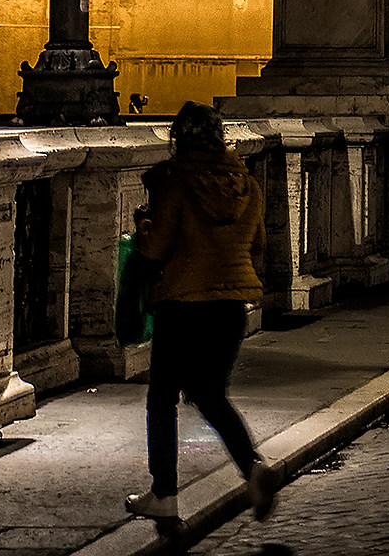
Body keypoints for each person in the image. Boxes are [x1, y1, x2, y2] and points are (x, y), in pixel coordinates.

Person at [126, 101, 284, 522]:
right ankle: (254, 467)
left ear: (180, 138)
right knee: (210, 394)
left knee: (162, 398)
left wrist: (144, 228)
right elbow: (259, 243)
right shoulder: (245, 184)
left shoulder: (175, 182)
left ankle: (164, 494)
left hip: (183, 305)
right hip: (230, 306)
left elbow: (156, 248)